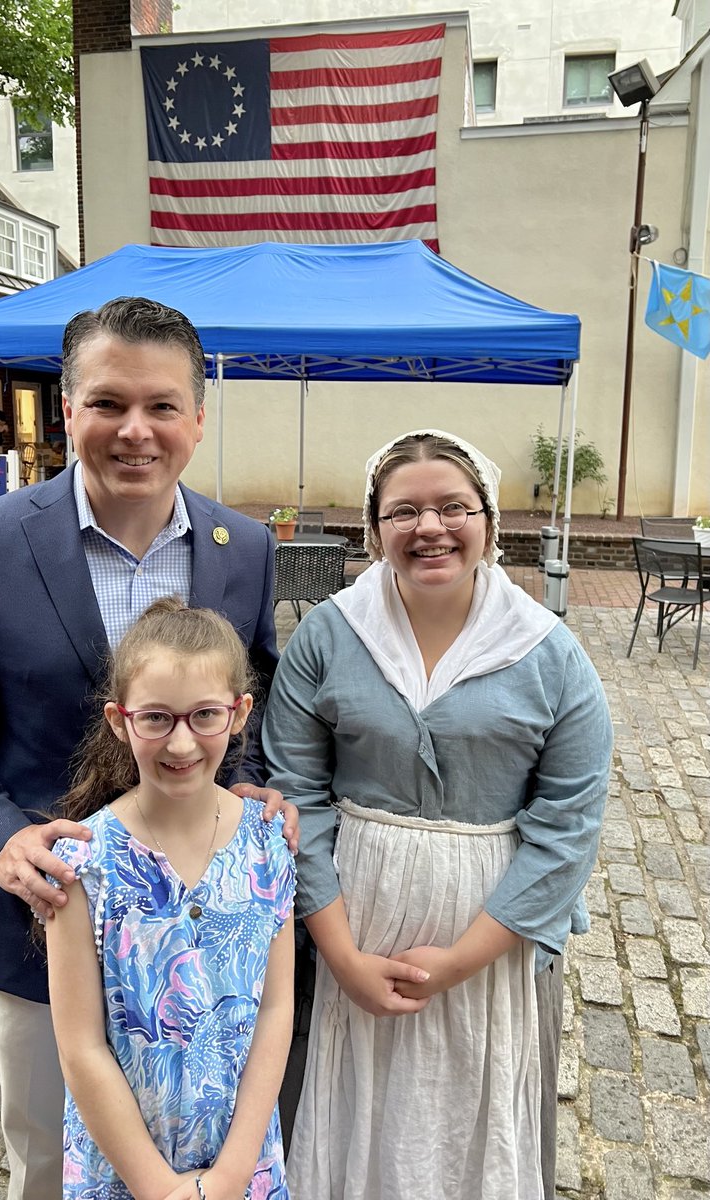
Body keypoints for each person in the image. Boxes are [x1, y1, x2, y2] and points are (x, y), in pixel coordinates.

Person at [0, 297, 298, 1200]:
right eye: (108, 403)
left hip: (204, 948)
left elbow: (246, 706)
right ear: (69, 409)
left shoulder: (245, 548)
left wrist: (255, 782)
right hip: (44, 929)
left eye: (161, 406)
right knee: (51, 1172)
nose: (134, 431)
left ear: (196, 417)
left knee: (204, 1155)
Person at [263, 429, 613, 1200]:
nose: (430, 528)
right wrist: (344, 958)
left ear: (488, 520)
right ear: (374, 526)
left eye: (454, 506)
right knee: (355, 1120)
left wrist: (462, 959)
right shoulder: (329, 636)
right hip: (356, 926)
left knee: (473, 1130)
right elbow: (297, 797)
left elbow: (567, 825)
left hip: (488, 945)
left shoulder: (549, 653)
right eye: (404, 511)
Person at [46, 598, 295, 1199]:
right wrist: (160, 1188)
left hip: (244, 1163)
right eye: (156, 718)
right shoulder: (83, 866)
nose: (182, 743)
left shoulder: (268, 845)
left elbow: (275, 1009)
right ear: (118, 719)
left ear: (239, 714)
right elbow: (81, 1047)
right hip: (124, 1171)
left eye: (204, 715)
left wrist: (234, 1173)